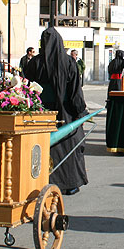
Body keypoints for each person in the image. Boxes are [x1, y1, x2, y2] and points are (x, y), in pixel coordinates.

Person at [25, 28, 88, 196]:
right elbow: (75, 91)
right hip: (65, 112)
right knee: (69, 145)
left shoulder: (34, 63)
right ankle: (70, 183)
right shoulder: (68, 63)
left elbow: (27, 88)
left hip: (41, 112)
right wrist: (80, 111)